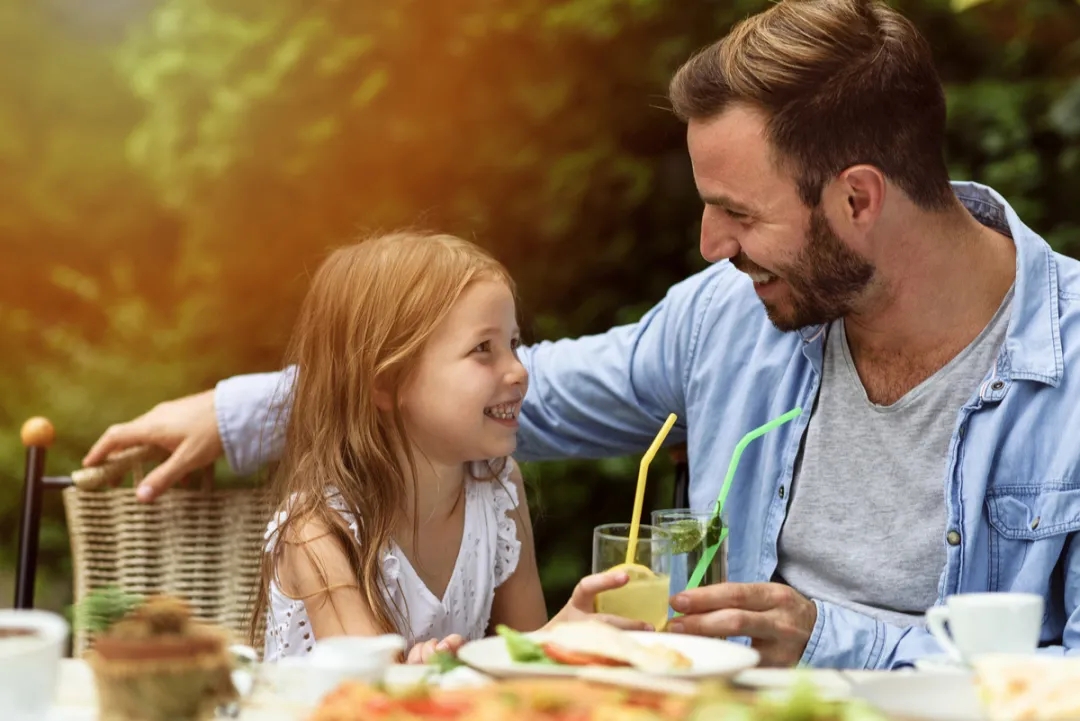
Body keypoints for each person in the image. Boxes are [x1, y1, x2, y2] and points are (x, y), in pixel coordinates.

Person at [84, 0, 1080, 669]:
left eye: (737, 212)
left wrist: (829, 638)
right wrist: (245, 409)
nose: (710, 245)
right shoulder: (728, 313)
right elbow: (527, 391)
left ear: (858, 197)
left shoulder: (1066, 365)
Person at [243, 232, 648, 663]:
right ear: (387, 383)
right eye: (483, 349)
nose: (519, 370)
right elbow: (374, 690)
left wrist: (562, 638)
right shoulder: (318, 531)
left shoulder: (498, 487)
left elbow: (525, 666)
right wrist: (419, 675)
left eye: (513, 344)